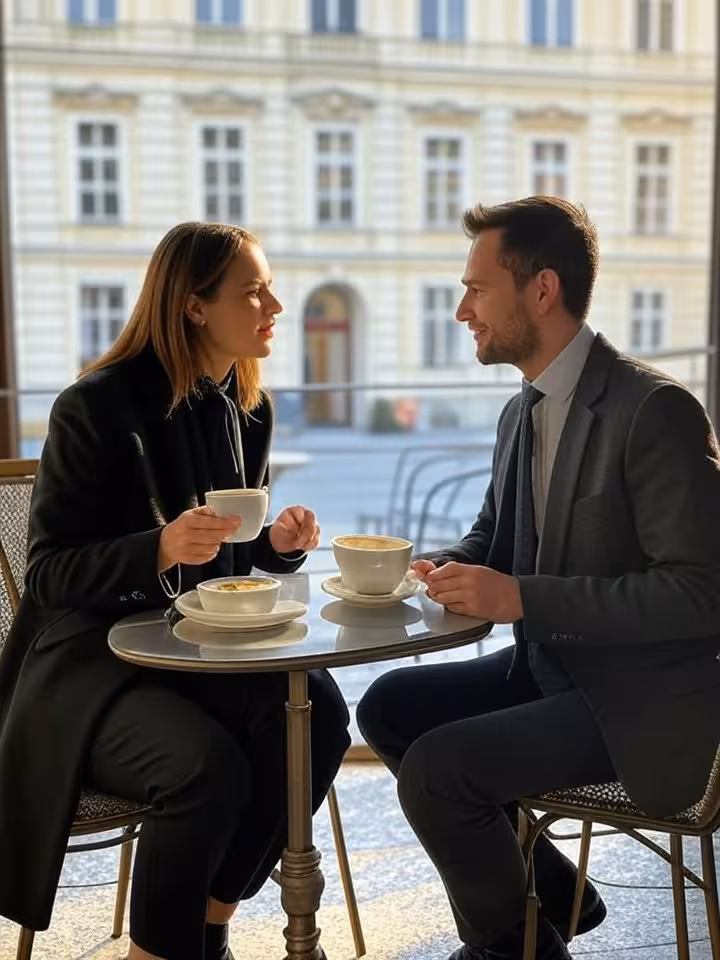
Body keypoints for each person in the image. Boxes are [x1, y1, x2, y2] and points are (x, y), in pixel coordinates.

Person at [357, 197, 720, 960]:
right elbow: (495, 541)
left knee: (438, 774)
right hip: (549, 668)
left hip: (638, 701)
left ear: (543, 290)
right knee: (388, 707)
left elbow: (698, 593)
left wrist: (522, 598)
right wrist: (434, 566)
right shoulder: (522, 412)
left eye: (477, 290)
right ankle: (553, 897)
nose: (462, 311)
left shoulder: (655, 410)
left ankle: (514, 949)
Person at [0, 222, 350, 960]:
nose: (275, 306)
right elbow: (50, 573)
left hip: (194, 656)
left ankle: (209, 927)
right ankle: (156, 953)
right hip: (92, 670)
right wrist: (157, 548)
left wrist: (275, 545)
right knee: (204, 768)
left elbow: (226, 546)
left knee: (318, 715)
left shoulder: (247, 406)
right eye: (254, 292)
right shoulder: (94, 406)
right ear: (194, 306)